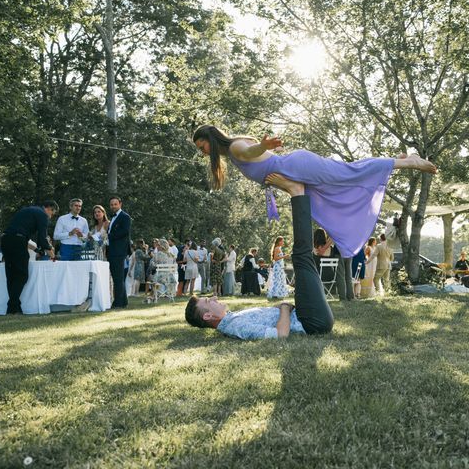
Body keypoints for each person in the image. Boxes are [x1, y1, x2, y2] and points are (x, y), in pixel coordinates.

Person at [192, 125, 437, 258]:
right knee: (325, 202)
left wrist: (262, 146)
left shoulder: (235, 148)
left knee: (348, 173)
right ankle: (398, 160)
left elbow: (249, 152)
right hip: (297, 178)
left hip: (298, 167)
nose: (201, 151)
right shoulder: (233, 152)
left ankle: (407, 162)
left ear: (209, 139)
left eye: (200, 145)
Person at [185, 175, 333, 339]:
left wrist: (279, 308)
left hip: (305, 314)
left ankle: (299, 193)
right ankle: (297, 192)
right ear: (207, 316)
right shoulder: (234, 326)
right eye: (208, 302)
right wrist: (284, 308)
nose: (213, 297)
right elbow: (280, 334)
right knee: (301, 255)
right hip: (312, 322)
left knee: (301, 256)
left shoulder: (231, 319)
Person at [1, 200, 58, 314]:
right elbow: (42, 239)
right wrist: (51, 252)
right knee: (22, 275)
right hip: (17, 242)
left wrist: (37, 250)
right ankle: (12, 307)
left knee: (11, 275)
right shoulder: (42, 215)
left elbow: (21, 236)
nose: (50, 217)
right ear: (49, 209)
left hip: (6, 239)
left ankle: (15, 307)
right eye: (52, 213)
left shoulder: (27, 210)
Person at [107, 196, 131, 309]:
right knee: (118, 277)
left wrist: (109, 236)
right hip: (112, 251)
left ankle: (118, 303)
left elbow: (124, 232)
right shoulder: (113, 218)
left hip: (119, 251)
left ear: (120, 204)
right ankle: (123, 301)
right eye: (111, 204)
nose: (113, 206)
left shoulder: (125, 217)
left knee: (118, 278)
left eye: (115, 204)